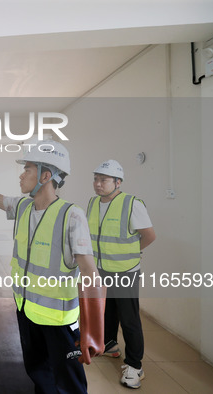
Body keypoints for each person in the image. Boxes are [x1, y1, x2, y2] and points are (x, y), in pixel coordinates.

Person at [0, 140, 106, 394]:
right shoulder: (22, 207)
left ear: (46, 176)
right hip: (26, 312)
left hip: (59, 322)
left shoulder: (71, 215)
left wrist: (93, 331)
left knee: (69, 383)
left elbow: (91, 275)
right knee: (38, 374)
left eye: (28, 169)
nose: (21, 175)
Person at [87, 159, 156, 389]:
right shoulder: (92, 203)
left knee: (129, 319)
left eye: (103, 180)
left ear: (117, 182)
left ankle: (135, 366)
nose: (98, 184)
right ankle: (109, 345)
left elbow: (149, 235)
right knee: (107, 311)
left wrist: (131, 254)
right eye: (96, 179)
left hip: (125, 271)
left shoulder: (131, 203)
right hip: (101, 269)